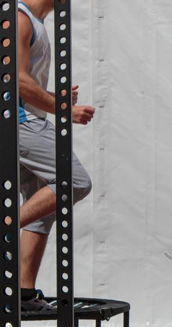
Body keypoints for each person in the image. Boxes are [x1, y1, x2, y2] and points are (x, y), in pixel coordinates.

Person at [17, 0, 95, 311]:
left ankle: (23, 295)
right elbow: (18, 81)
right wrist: (65, 109)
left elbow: (28, 81)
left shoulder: (34, 22)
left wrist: (56, 99)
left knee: (43, 205)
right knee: (74, 182)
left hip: (27, 119)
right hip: (20, 122)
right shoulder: (18, 18)